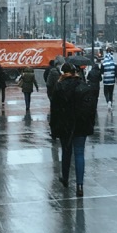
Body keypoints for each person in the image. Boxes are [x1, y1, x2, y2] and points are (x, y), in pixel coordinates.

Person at [50, 62, 96, 196]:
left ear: (62, 73)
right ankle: (80, 185)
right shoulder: (82, 86)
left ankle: (65, 178)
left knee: (66, 152)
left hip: (65, 125)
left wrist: (54, 127)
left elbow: (55, 110)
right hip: (81, 124)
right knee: (80, 153)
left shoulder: (59, 87)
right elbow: (91, 108)